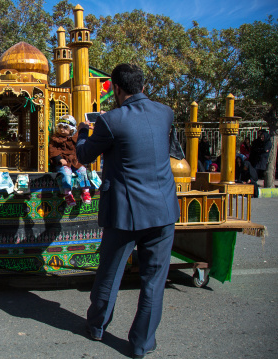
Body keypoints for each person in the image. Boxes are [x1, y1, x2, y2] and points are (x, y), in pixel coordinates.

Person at [76, 63, 179, 359]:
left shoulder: (110, 121)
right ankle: (141, 345)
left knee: (110, 272)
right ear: (143, 86)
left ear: (117, 89)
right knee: (154, 281)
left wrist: (84, 133)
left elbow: (84, 155)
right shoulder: (165, 113)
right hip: (163, 211)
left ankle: (97, 327)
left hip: (126, 213)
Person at [49, 114, 91, 207]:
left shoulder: (75, 138)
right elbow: (53, 150)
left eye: (65, 127)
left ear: (71, 129)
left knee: (83, 171)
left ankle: (85, 191)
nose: (62, 129)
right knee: (66, 173)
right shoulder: (55, 139)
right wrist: (59, 159)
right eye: (60, 127)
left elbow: (81, 148)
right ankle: (67, 193)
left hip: (75, 161)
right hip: (63, 162)